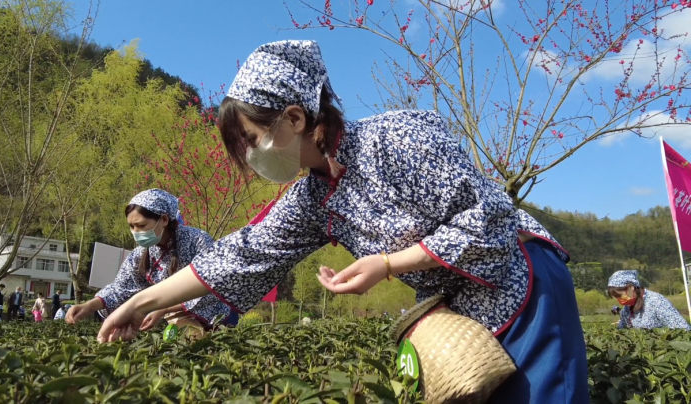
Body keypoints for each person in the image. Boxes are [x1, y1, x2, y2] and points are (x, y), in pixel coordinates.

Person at [95, 40, 589, 403]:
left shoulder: (396, 138)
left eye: (250, 139)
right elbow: (240, 255)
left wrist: (389, 264)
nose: (248, 157)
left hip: (519, 283)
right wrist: (138, 302)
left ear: (294, 118)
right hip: (459, 314)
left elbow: (491, 218)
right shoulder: (313, 196)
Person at [65, 189, 234, 337]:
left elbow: (211, 284)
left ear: (164, 220)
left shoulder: (197, 240)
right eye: (132, 227)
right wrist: (89, 305)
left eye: (141, 225)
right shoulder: (140, 254)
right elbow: (121, 289)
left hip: (218, 318)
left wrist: (163, 310)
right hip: (177, 321)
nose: (136, 232)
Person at [607, 270, 690, 330]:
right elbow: (623, 330)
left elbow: (683, 329)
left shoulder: (656, 301)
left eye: (619, 295)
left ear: (631, 287)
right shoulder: (626, 309)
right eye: (615, 297)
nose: (619, 300)